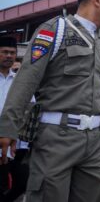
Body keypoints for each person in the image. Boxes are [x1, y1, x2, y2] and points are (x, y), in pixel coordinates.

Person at [0, 0, 100, 201]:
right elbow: (26, 80)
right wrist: (7, 127)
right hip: (56, 139)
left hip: (97, 142)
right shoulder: (54, 30)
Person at [0, 36, 29, 202]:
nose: (9, 56)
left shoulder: (21, 81)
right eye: (4, 52)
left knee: (23, 182)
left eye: (12, 53)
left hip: (17, 144)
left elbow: (29, 109)